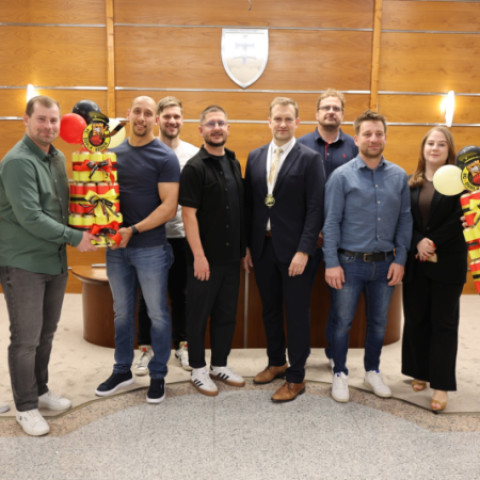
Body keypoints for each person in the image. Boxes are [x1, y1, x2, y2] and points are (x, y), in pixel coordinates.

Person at [0, 95, 98, 436]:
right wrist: (75, 236)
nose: (48, 126)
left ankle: (40, 391)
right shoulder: (18, 162)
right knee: (25, 338)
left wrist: (98, 216)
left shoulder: (56, 157)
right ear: (26, 120)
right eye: (41, 119)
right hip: (24, 262)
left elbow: (63, 206)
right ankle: (26, 407)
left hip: (54, 261)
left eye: (53, 120)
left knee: (46, 333)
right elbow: (30, 216)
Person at [323, 110, 412, 403]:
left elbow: (405, 219)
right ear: (356, 138)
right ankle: (340, 372)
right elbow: (331, 222)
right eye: (367, 134)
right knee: (342, 322)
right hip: (348, 264)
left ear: (385, 137)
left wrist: (400, 260)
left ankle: (372, 371)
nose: (374, 139)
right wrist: (331, 263)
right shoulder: (341, 177)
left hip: (385, 264)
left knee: (378, 323)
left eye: (379, 133)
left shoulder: (399, 176)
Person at [95, 96, 180, 404]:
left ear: (155, 119)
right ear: (128, 115)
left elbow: (169, 207)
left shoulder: (165, 157)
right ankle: (122, 370)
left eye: (148, 113)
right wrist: (101, 228)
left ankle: (158, 374)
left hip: (150, 249)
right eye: (137, 112)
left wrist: (133, 230)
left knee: (157, 313)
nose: (142, 118)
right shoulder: (111, 155)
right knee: (121, 312)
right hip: (116, 249)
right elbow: (101, 200)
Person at [244, 97, 325, 403]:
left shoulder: (310, 159)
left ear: (297, 123)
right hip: (262, 247)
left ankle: (296, 376)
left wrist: (304, 250)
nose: (282, 124)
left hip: (295, 253)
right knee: (269, 309)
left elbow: (316, 208)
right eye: (277, 118)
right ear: (269, 121)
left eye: (288, 119)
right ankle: (277, 362)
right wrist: (247, 247)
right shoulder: (254, 157)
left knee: (296, 313)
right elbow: (251, 205)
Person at [179, 105, 246, 397]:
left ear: (228, 128)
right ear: (201, 130)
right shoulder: (194, 167)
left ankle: (219, 364)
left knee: (226, 314)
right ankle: (197, 368)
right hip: (204, 259)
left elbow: (238, 209)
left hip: (231, 258)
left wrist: (243, 249)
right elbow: (188, 215)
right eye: (210, 124)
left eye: (221, 123)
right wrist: (199, 256)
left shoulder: (233, 162)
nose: (216, 128)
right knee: (198, 315)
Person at [401, 127, 467, 412]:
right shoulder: (410, 182)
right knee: (416, 319)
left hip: (448, 264)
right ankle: (420, 371)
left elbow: (461, 218)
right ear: (423, 148)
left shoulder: (462, 183)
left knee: (444, 323)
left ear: (449, 150)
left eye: (441, 144)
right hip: (416, 262)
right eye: (431, 143)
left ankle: (441, 385)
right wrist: (418, 241)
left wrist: (432, 241)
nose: (435, 148)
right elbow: (403, 218)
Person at [134, 96, 199, 375]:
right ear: (158, 119)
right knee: (148, 297)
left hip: (182, 236)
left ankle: (182, 345)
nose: (172, 121)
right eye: (167, 116)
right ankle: (145, 349)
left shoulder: (193, 154)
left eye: (177, 116)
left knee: (182, 295)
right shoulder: (144, 150)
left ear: (182, 120)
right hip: (151, 236)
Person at [298, 88, 358, 368]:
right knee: (300, 299)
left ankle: (335, 353)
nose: (331, 112)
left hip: (343, 238)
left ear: (342, 114)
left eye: (336, 108)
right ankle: (299, 354)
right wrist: (313, 231)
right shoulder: (300, 145)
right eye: (326, 108)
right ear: (317, 113)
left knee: (340, 302)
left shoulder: (354, 146)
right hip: (306, 238)